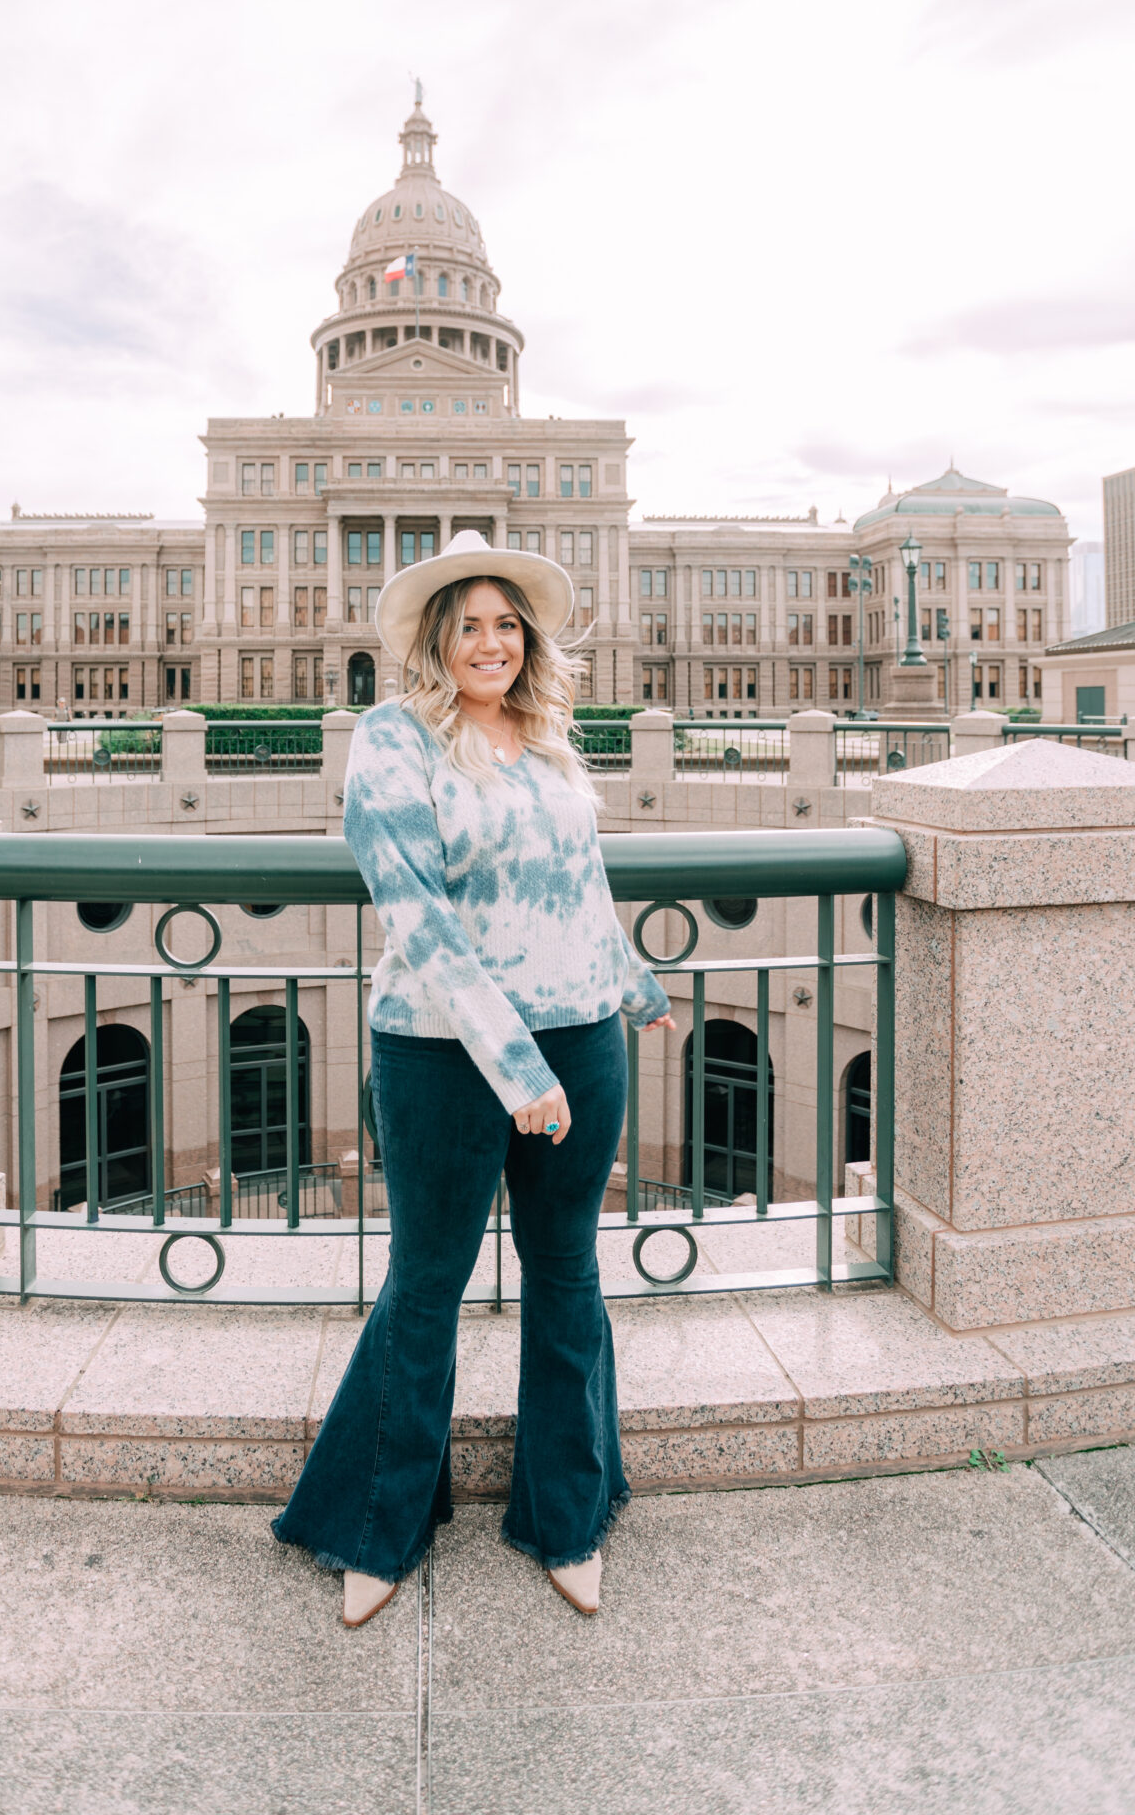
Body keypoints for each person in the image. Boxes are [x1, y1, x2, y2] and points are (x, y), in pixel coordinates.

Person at [271, 530, 675, 1625]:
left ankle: (568, 1518)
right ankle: (377, 1532)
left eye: (506, 625)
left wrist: (629, 983)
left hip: (582, 1039)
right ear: (435, 642)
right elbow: (420, 920)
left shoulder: (547, 738)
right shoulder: (391, 740)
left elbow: (578, 887)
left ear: (527, 639)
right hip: (446, 1057)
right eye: (469, 627)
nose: (490, 643)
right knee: (427, 1289)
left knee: (567, 1278)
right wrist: (517, 1069)